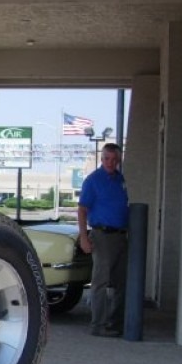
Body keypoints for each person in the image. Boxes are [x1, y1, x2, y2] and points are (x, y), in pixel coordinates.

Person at [78, 142, 129, 337]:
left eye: (115, 159)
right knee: (100, 282)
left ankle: (116, 323)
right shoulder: (93, 180)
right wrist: (84, 237)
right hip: (101, 235)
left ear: (119, 160)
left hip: (120, 236)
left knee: (121, 282)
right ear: (102, 159)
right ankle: (98, 325)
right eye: (107, 158)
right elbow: (82, 210)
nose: (111, 162)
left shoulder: (120, 179)